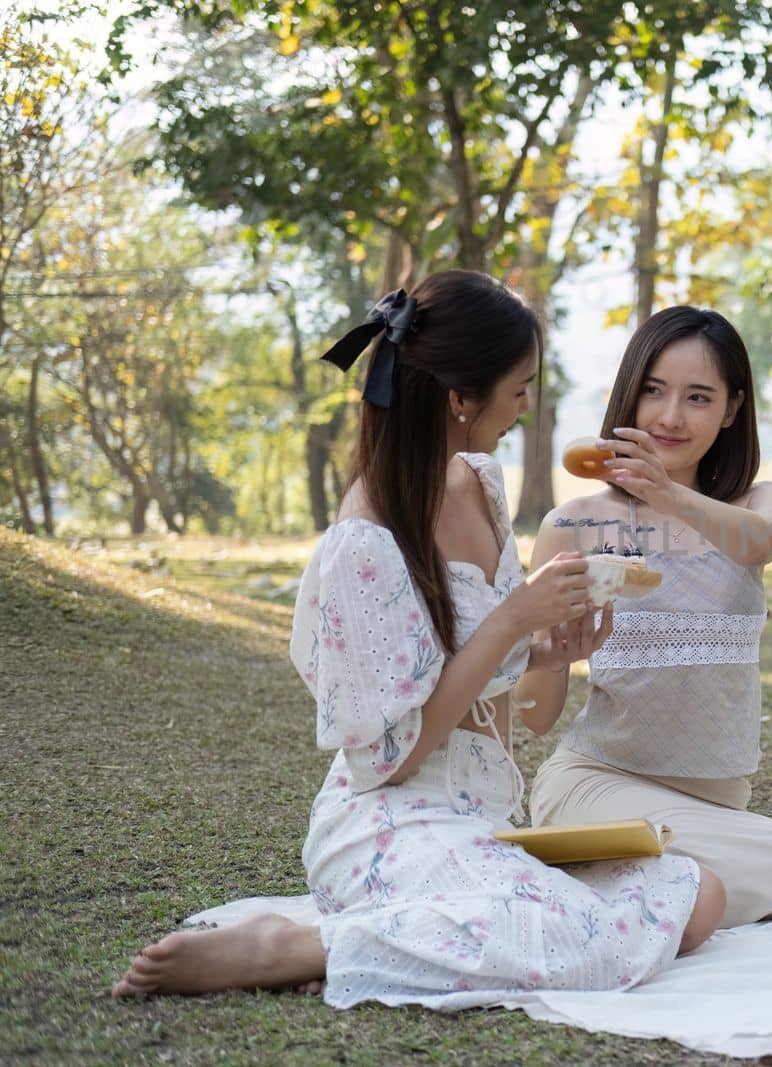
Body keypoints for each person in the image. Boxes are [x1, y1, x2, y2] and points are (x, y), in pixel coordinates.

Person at [112, 272, 724, 1003]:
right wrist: (512, 621)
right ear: (461, 398)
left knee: (696, 890)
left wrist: (547, 649)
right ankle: (287, 945)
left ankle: (398, 930)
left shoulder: (481, 485)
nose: (524, 409)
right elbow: (390, 760)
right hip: (388, 821)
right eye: (518, 389)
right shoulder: (364, 543)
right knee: (559, 931)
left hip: (484, 819)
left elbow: (496, 686)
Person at [518, 305, 772, 928]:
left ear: (732, 409)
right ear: (629, 397)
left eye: (697, 397)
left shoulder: (757, 504)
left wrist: (665, 491)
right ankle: (621, 884)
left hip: (712, 809)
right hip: (595, 785)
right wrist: (553, 659)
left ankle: (617, 894)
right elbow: (536, 718)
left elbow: (761, 543)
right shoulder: (574, 524)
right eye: (654, 392)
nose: (669, 416)